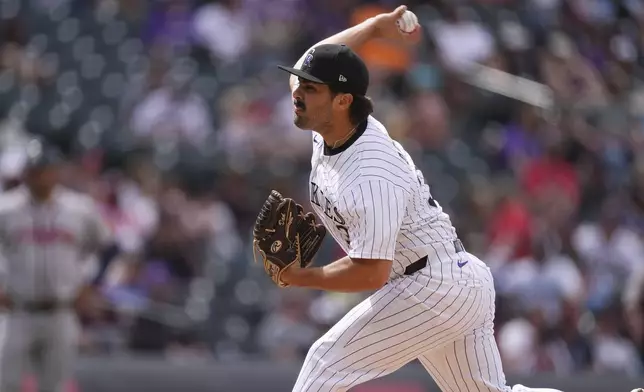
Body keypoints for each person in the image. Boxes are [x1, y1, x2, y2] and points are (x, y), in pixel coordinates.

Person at [274, 5, 565, 392]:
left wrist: (303, 277)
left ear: (343, 100)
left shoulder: (371, 173)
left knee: (325, 363)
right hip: (447, 279)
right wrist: (374, 28)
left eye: (310, 89)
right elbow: (312, 58)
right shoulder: (328, 123)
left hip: (430, 283)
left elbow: (371, 271)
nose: (298, 94)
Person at [0, 140, 113, 392]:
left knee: (57, 386)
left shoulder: (79, 209)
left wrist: (90, 284)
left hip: (61, 311)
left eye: (46, 169)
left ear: (57, 172)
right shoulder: (5, 208)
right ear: (25, 172)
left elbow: (106, 246)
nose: (40, 175)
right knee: (7, 385)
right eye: (35, 169)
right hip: (17, 311)